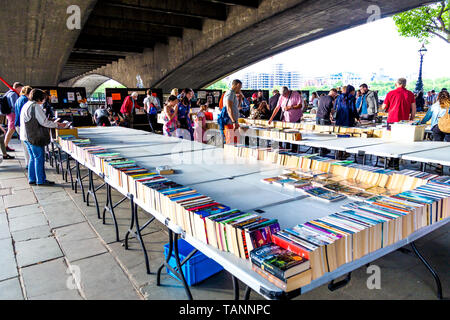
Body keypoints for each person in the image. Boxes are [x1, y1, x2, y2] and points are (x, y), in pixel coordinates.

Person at [20, 89, 67, 186]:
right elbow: (44, 122)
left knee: (33, 157)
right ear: (39, 98)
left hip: (25, 136)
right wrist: (58, 125)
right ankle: (41, 180)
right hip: (34, 137)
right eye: (44, 98)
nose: (44, 100)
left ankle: (32, 178)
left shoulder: (26, 104)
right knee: (39, 158)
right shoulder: (35, 106)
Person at [219, 79, 242, 144]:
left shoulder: (232, 93)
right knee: (231, 142)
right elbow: (229, 108)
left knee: (235, 141)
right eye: (240, 87)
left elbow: (235, 108)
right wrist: (233, 122)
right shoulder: (230, 93)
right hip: (230, 122)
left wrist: (240, 99)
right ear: (237, 85)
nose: (240, 89)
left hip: (232, 122)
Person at [14, 86, 33, 166]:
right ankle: (29, 164)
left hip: (18, 124)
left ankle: (27, 163)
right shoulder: (25, 100)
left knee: (24, 145)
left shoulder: (19, 99)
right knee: (28, 146)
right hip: (22, 125)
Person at [3, 82, 23, 151]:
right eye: (21, 88)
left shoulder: (9, 92)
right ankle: (5, 146)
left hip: (10, 113)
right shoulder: (13, 94)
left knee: (11, 129)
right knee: (11, 130)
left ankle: (5, 146)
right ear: (18, 87)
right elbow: (15, 105)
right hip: (13, 114)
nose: (21, 90)